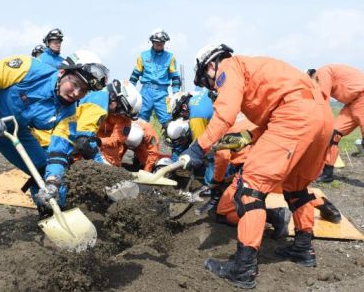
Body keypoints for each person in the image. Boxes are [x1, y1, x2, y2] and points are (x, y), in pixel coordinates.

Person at [179, 44, 333, 289]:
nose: (214, 87)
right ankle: (303, 249)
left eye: (209, 82)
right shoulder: (257, 68)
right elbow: (277, 110)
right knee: (296, 187)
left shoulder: (228, 67)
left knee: (249, 190)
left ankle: (243, 268)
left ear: (210, 65)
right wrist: (248, 136)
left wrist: (197, 149)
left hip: (294, 115)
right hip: (321, 116)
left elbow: (226, 114)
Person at [0, 51, 109, 270]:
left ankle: (49, 215)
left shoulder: (68, 111)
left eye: (83, 91)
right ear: (63, 72)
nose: (76, 93)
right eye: (75, 84)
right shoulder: (29, 67)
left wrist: (52, 181)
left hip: (15, 128)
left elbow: (58, 151)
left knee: (45, 174)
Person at [307, 65, 364, 183]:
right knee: (332, 134)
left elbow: (323, 99)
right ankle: (327, 174)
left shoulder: (321, 73)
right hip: (351, 104)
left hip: (362, 98)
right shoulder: (323, 74)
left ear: (311, 77)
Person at [72, 79, 142, 165]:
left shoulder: (124, 119)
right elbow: (83, 138)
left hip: (106, 149)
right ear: (113, 97)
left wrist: (100, 141)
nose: (119, 113)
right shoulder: (97, 102)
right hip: (85, 141)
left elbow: (117, 140)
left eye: (123, 112)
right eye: (120, 109)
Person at [129, 28, 181, 129]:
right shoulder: (143, 56)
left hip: (162, 93)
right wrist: (130, 90)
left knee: (168, 122)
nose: (160, 45)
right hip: (146, 92)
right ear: (152, 42)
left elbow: (175, 77)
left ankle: (171, 143)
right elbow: (135, 75)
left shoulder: (170, 57)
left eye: (162, 43)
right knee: (140, 121)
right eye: (158, 43)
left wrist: (176, 94)